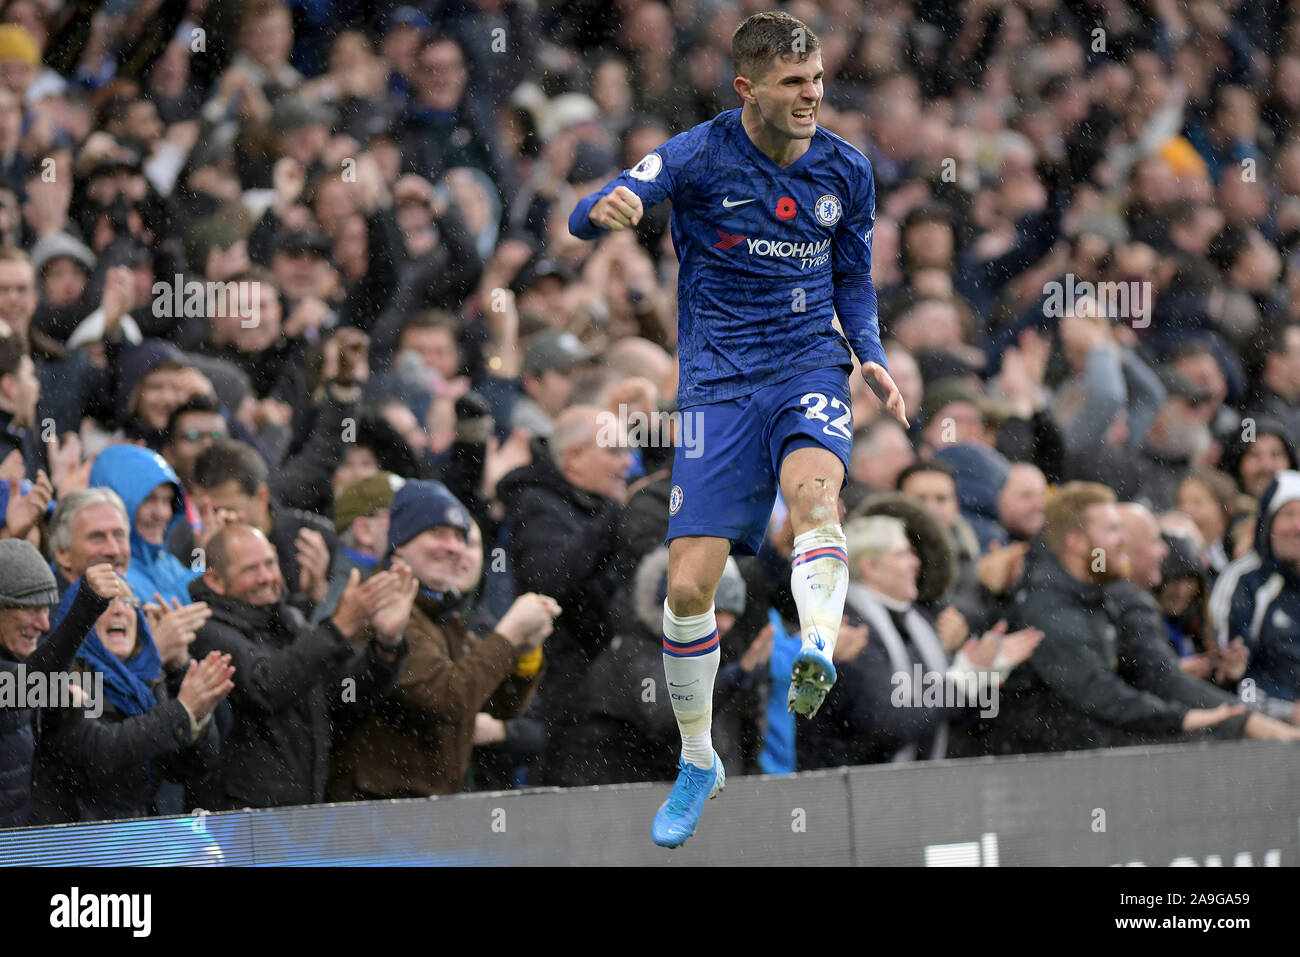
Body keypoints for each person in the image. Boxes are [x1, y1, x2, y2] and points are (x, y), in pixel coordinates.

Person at [567, 10, 906, 847]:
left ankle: (818, 646)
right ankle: (696, 757)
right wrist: (603, 210)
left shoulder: (847, 170)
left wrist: (867, 353)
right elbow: (588, 214)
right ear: (746, 87)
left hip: (806, 367)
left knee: (815, 497)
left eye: (819, 80)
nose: (813, 96)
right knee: (687, 589)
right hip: (716, 389)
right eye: (795, 84)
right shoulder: (694, 154)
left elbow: (853, 281)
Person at [328, 480, 557, 799]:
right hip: (376, 819)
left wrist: (525, 651)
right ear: (400, 544)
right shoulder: (382, 606)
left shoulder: (443, 616)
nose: (453, 547)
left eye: (461, 537)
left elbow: (499, 703)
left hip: (425, 815)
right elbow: (448, 698)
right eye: (437, 533)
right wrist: (509, 634)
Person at [187, 524, 411, 810]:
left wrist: (387, 645)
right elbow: (266, 686)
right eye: (251, 570)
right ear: (216, 580)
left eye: (270, 563)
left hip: (302, 810)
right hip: (241, 821)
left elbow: (348, 691)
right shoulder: (206, 631)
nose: (267, 577)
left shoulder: (288, 621)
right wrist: (339, 627)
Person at [31, 579, 233, 823]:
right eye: (105, 604)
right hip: (80, 843)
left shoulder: (147, 680)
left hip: (135, 838)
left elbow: (189, 767)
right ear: (79, 620)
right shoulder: (66, 678)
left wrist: (198, 713)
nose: (119, 610)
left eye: (129, 602)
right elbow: (99, 753)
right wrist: (182, 710)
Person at [0, 545, 127, 827]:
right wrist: (86, 607)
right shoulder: (25, 678)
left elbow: (92, 703)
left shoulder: (30, 667)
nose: (44, 624)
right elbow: (26, 683)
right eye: (31, 608)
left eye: (46, 609)